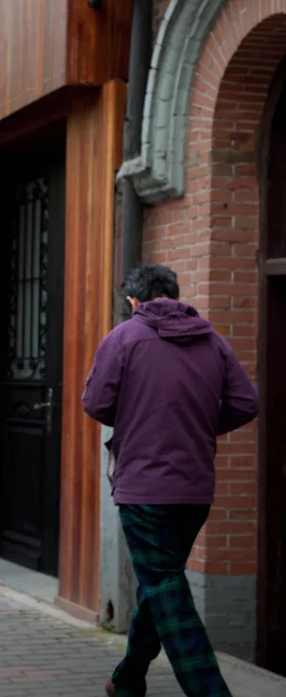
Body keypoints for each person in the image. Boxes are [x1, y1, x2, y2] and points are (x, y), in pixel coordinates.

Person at [82, 264, 259, 697]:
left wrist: (139, 419)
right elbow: (245, 402)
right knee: (161, 582)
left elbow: (96, 402)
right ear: (174, 295)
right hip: (195, 489)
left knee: (165, 588)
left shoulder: (124, 337)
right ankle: (127, 679)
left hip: (144, 490)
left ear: (134, 301)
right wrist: (199, 426)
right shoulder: (212, 340)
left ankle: (211, 690)